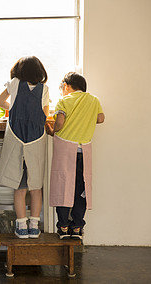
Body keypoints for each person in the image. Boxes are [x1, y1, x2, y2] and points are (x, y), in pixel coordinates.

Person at [0, 56, 49, 239]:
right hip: (36, 139)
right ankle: (34, 226)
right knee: (36, 187)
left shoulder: (15, 83)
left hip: (17, 137)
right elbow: (44, 114)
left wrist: (13, 109)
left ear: (19, 71)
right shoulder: (44, 89)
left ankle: (21, 226)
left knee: (19, 187)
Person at [46, 72, 105, 240]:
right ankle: (77, 227)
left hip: (65, 149)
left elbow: (59, 123)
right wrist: (84, 120)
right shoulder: (93, 100)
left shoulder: (64, 101)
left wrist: (52, 131)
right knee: (81, 189)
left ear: (66, 86)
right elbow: (100, 118)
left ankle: (63, 227)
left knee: (62, 187)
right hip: (83, 151)